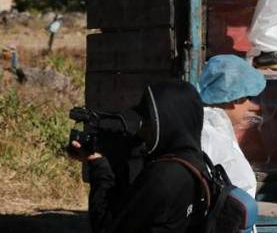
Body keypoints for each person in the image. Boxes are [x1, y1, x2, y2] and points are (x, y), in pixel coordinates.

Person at [68, 80, 207, 232]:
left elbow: (106, 226)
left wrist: (98, 166)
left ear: (167, 123)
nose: (143, 130)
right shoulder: (197, 164)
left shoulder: (163, 176)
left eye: (148, 122)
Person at [198, 55, 266, 198]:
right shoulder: (210, 137)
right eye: (250, 98)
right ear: (236, 98)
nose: (252, 105)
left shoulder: (216, 130)